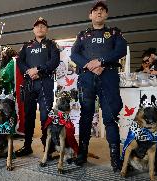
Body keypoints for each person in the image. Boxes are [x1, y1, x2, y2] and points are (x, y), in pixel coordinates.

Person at [70, 1, 127, 172]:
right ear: (90, 15)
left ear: (106, 15)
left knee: (110, 118)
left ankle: (115, 159)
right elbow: (74, 54)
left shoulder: (114, 33)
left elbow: (121, 50)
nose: (99, 13)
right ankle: (82, 154)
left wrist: (101, 61)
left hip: (108, 77)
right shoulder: (82, 35)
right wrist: (90, 64)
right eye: (96, 10)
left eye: (103, 10)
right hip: (87, 78)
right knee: (85, 116)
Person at [15, 17, 60, 157]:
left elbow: (55, 61)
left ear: (46, 29)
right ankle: (27, 145)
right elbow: (20, 61)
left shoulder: (52, 45)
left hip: (45, 84)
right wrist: (28, 71)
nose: (40, 28)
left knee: (45, 116)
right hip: (29, 84)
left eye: (43, 26)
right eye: (37, 26)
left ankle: (48, 147)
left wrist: (39, 70)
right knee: (28, 115)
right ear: (33, 29)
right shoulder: (26, 45)